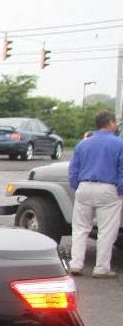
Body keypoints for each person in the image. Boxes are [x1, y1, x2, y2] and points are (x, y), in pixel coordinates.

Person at [68, 110, 123, 278]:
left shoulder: (83, 144)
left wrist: (77, 185)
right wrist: (120, 191)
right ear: (111, 123)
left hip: (84, 187)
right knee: (106, 231)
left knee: (80, 228)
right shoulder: (119, 144)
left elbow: (73, 169)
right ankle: (101, 268)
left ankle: (76, 264)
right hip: (108, 189)